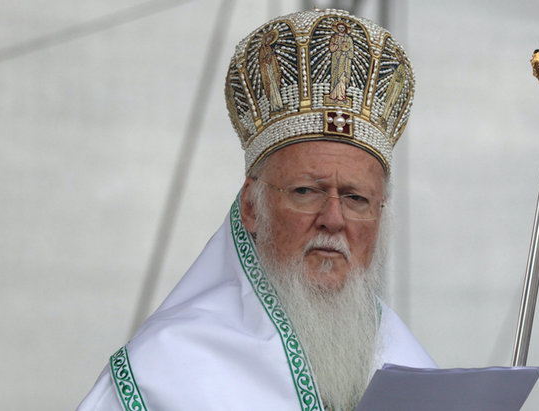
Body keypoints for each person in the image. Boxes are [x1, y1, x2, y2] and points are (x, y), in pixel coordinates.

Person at [78, 9, 433, 411]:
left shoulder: (410, 366)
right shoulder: (165, 372)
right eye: (306, 191)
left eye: (356, 199)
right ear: (251, 206)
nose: (333, 219)